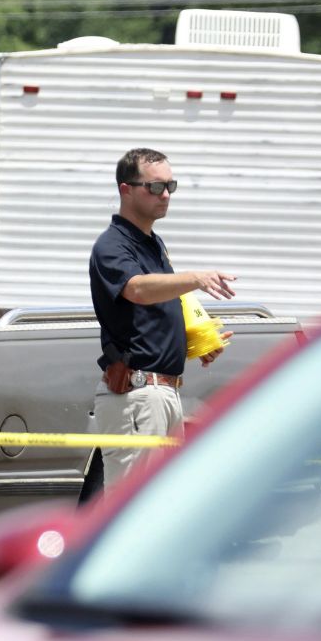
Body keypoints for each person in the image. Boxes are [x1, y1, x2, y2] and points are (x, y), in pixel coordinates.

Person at [89, 148, 235, 486]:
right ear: (126, 189)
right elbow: (137, 290)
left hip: (162, 392)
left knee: (160, 508)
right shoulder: (112, 245)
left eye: (171, 186)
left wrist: (193, 344)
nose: (165, 195)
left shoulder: (153, 244)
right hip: (138, 394)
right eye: (155, 187)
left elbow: (148, 317)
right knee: (133, 511)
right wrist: (195, 278)